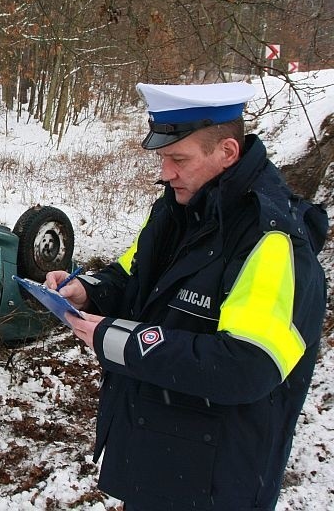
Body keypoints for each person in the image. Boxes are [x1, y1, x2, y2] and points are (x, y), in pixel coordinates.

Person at [45, 81, 328, 511]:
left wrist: (123, 341)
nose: (166, 173)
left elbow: (247, 366)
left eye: (179, 159)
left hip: (216, 482)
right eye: (163, 159)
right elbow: (132, 275)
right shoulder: (177, 209)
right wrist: (89, 290)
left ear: (227, 153)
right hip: (158, 454)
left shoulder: (269, 239)